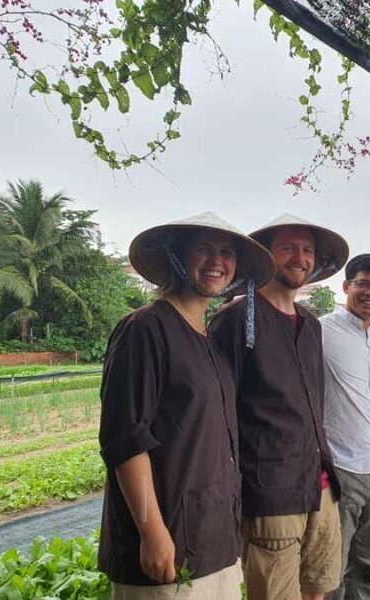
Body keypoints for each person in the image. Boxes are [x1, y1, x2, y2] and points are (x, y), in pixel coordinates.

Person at [98, 212, 275, 599]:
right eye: (203, 250)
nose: (217, 261)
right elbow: (125, 439)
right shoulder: (145, 329)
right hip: (166, 545)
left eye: (227, 252)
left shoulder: (209, 339)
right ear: (175, 257)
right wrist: (152, 531)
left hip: (215, 540)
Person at [209, 213, 349, 600]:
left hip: (320, 486)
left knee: (317, 590)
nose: (300, 257)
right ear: (265, 256)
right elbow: (220, 414)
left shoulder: (311, 323)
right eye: (288, 248)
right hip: (270, 493)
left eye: (307, 250)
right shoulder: (236, 319)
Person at [321, 254, 370, 600]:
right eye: (363, 283)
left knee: (366, 561)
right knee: (333, 562)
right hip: (342, 468)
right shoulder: (322, 330)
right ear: (346, 286)